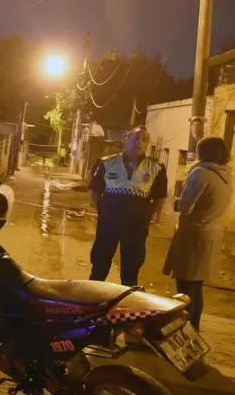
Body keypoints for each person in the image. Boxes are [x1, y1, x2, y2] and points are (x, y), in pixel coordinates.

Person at [163, 137, 232, 330]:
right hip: (211, 235)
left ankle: (185, 332)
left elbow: (185, 206)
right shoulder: (225, 173)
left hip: (193, 236)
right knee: (196, 287)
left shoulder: (201, 173)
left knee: (185, 288)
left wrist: (176, 201)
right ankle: (194, 328)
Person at [88, 127, 168, 287]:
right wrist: (102, 211)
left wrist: (149, 215)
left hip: (136, 227)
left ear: (147, 145)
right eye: (135, 138)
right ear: (126, 139)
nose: (139, 142)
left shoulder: (156, 168)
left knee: (131, 269)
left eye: (144, 140)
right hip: (108, 224)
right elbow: (95, 190)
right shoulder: (107, 163)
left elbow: (160, 197)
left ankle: (127, 303)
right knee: (99, 265)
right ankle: (92, 299)